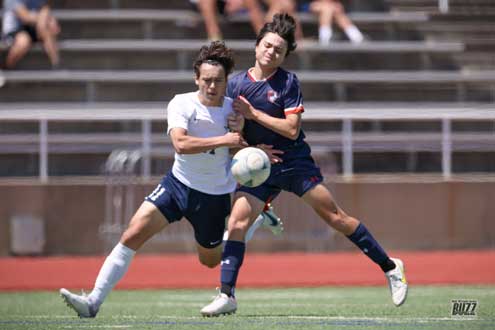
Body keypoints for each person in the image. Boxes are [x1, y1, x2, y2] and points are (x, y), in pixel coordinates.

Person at [200, 13, 407, 317]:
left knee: (336, 218)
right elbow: (232, 135)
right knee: (236, 223)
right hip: (261, 167)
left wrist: (253, 114)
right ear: (257, 46)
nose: (271, 52)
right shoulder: (235, 85)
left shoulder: (288, 81)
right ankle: (227, 295)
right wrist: (254, 149)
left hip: (295, 164)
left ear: (284, 55)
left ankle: (391, 268)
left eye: (279, 50)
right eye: (268, 46)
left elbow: (291, 129)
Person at [59, 41, 277, 318]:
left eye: (218, 81)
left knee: (210, 261)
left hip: (213, 196)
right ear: (196, 78)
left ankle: (249, 225)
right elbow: (181, 144)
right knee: (132, 234)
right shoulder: (181, 102)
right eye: (206, 80)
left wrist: (251, 147)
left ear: (226, 81)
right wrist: (226, 138)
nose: (212, 86)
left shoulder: (234, 110)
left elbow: (238, 147)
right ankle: (92, 302)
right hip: (177, 185)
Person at [1, 0, 60, 69]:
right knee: (23, 40)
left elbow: (45, 9)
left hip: (31, 28)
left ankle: (56, 65)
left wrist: (50, 21)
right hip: (13, 30)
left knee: (46, 31)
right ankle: (6, 68)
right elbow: (25, 17)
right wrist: (46, 19)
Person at [300, 0, 364, 45]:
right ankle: (325, 40)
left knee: (332, 10)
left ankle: (358, 39)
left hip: (332, 7)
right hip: (309, 5)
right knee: (327, 8)